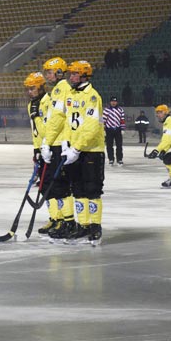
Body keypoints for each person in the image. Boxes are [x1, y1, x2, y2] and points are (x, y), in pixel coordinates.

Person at [60, 60, 105, 244]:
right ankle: (83, 225)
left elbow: (92, 127)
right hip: (74, 150)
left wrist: (77, 148)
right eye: (70, 74)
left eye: (74, 74)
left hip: (91, 150)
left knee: (92, 190)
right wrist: (65, 143)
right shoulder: (71, 94)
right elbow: (68, 122)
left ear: (84, 75)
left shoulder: (93, 96)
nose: (71, 77)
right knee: (77, 189)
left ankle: (95, 227)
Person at [38, 57, 74, 237]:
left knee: (60, 185)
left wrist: (47, 141)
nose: (47, 76)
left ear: (59, 72)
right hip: (57, 142)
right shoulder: (60, 89)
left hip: (59, 143)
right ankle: (61, 220)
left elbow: (58, 119)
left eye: (49, 72)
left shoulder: (62, 89)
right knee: (56, 185)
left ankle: (67, 222)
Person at [103, 96, 125, 166]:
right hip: (109, 130)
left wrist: (122, 129)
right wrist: (103, 130)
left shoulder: (120, 110)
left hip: (117, 130)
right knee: (109, 145)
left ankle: (119, 159)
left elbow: (122, 120)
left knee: (119, 145)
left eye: (115, 101)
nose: (113, 103)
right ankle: (111, 159)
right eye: (112, 101)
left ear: (117, 102)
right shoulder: (106, 110)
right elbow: (103, 120)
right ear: (110, 102)